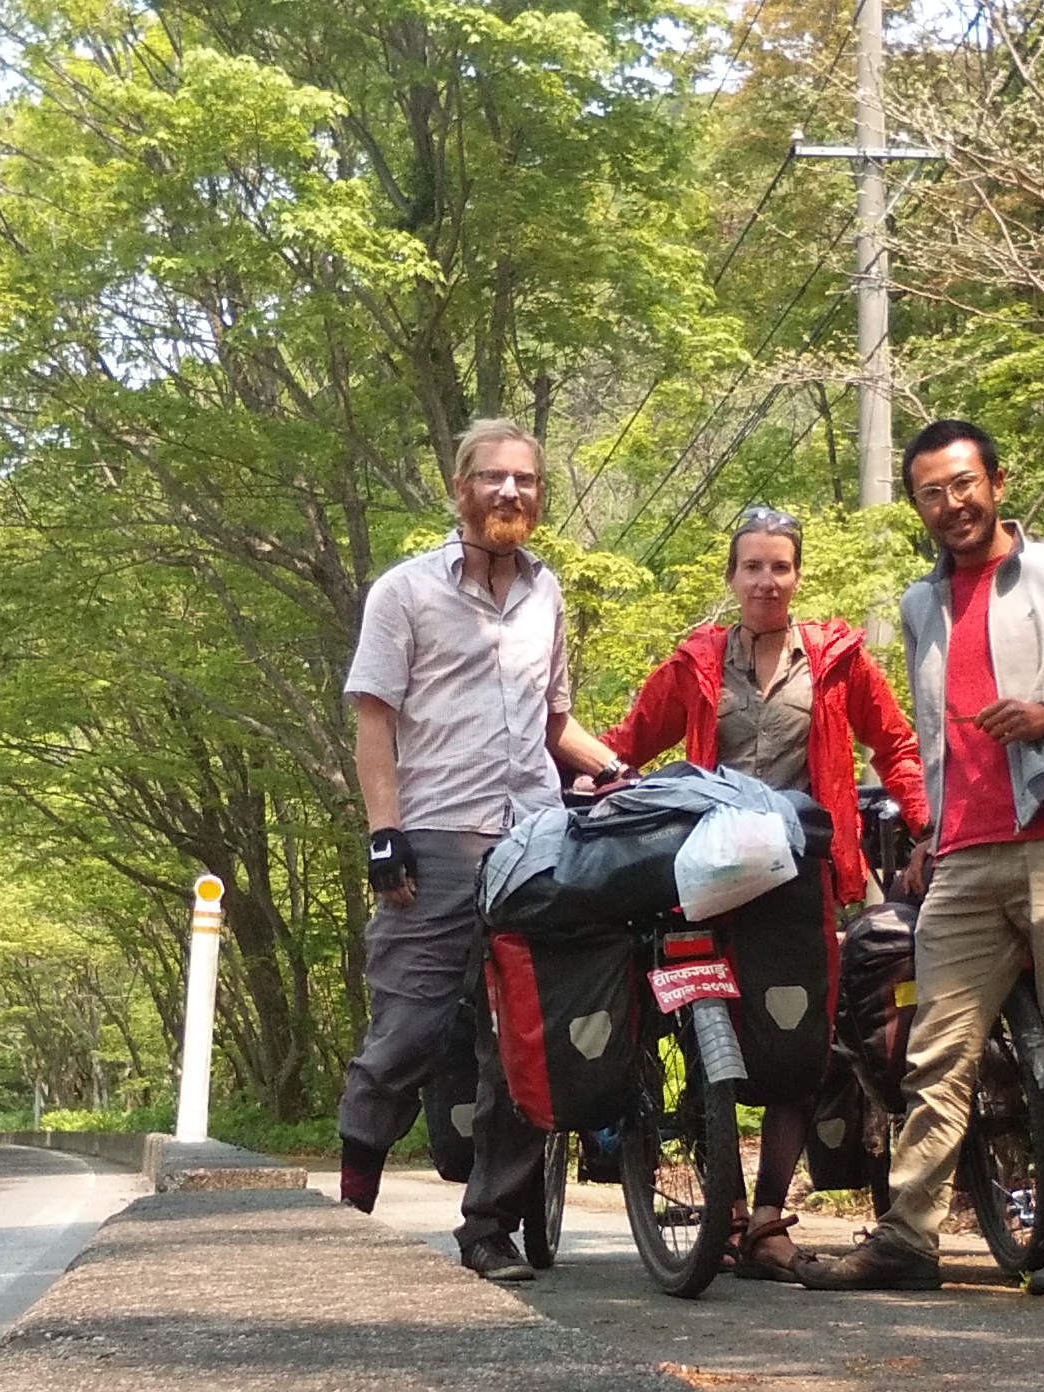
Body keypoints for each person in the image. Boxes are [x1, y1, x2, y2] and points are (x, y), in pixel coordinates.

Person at [798, 419, 1044, 1299]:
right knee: (935, 1050)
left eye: (963, 484)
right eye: (930, 492)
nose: (950, 504)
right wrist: (930, 833)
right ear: (916, 502)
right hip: (963, 853)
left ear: (997, 480)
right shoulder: (922, 606)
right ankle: (911, 1239)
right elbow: (928, 737)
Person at [600, 504, 931, 1278]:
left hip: (800, 871)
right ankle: (718, 1200)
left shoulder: (838, 660)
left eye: (780, 566)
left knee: (798, 1046)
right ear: (732, 575)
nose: (766, 580)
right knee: (695, 1023)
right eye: (752, 566)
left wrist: (922, 824)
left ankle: (766, 1219)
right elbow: (626, 745)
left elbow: (896, 745)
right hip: (707, 873)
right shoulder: (695, 664)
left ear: (797, 574)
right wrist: (583, 784)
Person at [338, 418, 629, 1281]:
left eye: (527, 481)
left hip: (537, 845)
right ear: (460, 488)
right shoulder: (405, 592)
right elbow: (373, 720)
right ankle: (353, 1201)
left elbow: (555, 722)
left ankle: (489, 1226)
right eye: (494, 478)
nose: (511, 492)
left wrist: (619, 770)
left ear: (541, 497)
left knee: (523, 1047)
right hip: (433, 841)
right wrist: (383, 834)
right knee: (410, 1034)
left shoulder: (548, 594)